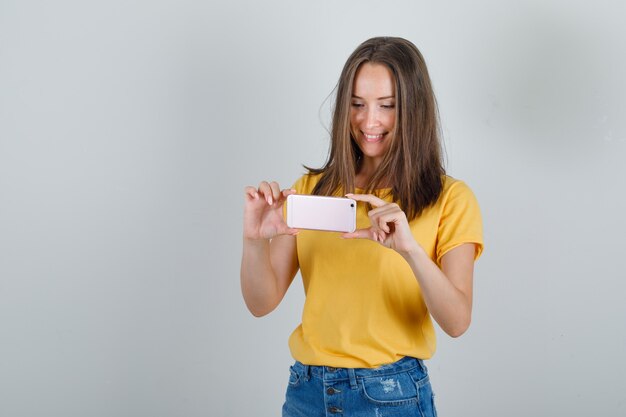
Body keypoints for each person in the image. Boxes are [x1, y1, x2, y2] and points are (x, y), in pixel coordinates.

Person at [241, 36, 483, 417]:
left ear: (413, 109)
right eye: (357, 104)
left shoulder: (449, 198)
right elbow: (261, 303)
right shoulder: (312, 190)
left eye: (387, 106)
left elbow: (457, 322)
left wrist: (410, 251)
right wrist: (254, 241)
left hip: (389, 394)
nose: (369, 121)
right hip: (306, 393)